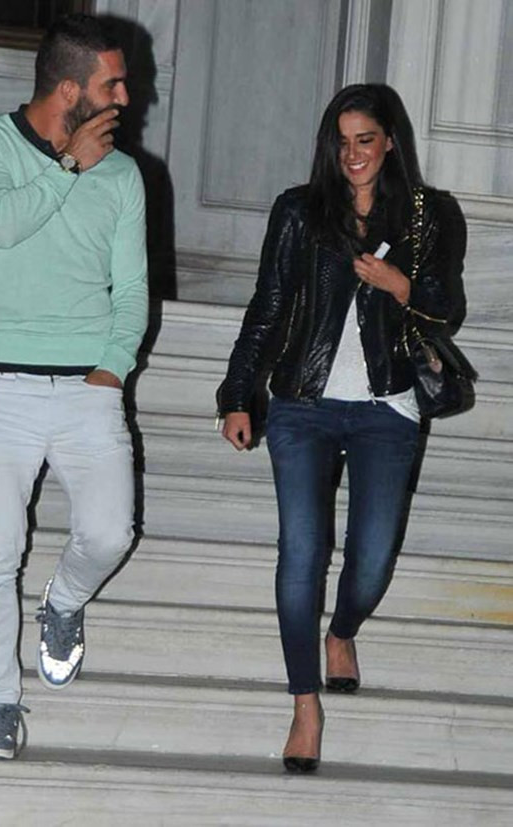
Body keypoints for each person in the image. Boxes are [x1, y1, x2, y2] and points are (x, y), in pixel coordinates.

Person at [218, 84, 467, 772]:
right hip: (304, 404)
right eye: (342, 140)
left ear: (390, 143)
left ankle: (343, 630)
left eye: (365, 140)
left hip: (388, 406)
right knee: (301, 551)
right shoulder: (300, 212)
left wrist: (398, 283)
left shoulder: (428, 214)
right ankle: (304, 703)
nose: (352, 154)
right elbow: (267, 306)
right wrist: (237, 394)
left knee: (374, 558)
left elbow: (446, 307)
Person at [0, 14, 148, 759]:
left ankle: (63, 603)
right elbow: (3, 225)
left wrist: (112, 369)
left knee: (110, 532)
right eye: (113, 84)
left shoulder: (124, 176)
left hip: (88, 387)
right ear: (69, 89)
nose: (125, 97)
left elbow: (132, 289)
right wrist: (67, 165)